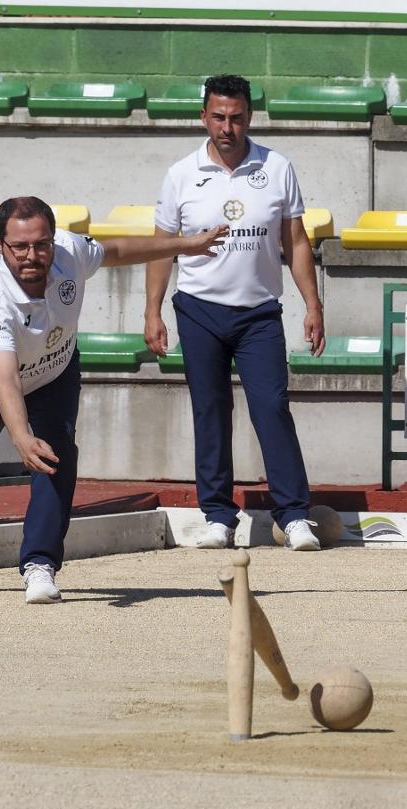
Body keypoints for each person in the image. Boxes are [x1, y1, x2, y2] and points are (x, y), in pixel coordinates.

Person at [0, 196, 226, 602]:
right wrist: (20, 436)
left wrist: (183, 245)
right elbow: (6, 379)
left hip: (54, 371)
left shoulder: (69, 250)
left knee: (56, 457)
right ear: (0, 244)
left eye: (41, 244)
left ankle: (39, 565)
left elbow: (116, 251)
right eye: (20, 247)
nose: (33, 255)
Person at [144, 74, 325, 552]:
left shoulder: (277, 167)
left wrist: (313, 303)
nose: (228, 127)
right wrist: (152, 311)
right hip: (199, 310)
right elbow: (162, 247)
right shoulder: (181, 173)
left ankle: (295, 516)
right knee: (210, 411)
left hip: (259, 313)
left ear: (250, 117)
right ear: (204, 116)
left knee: (271, 409)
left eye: (237, 117)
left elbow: (296, 241)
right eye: (219, 117)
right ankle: (218, 516)